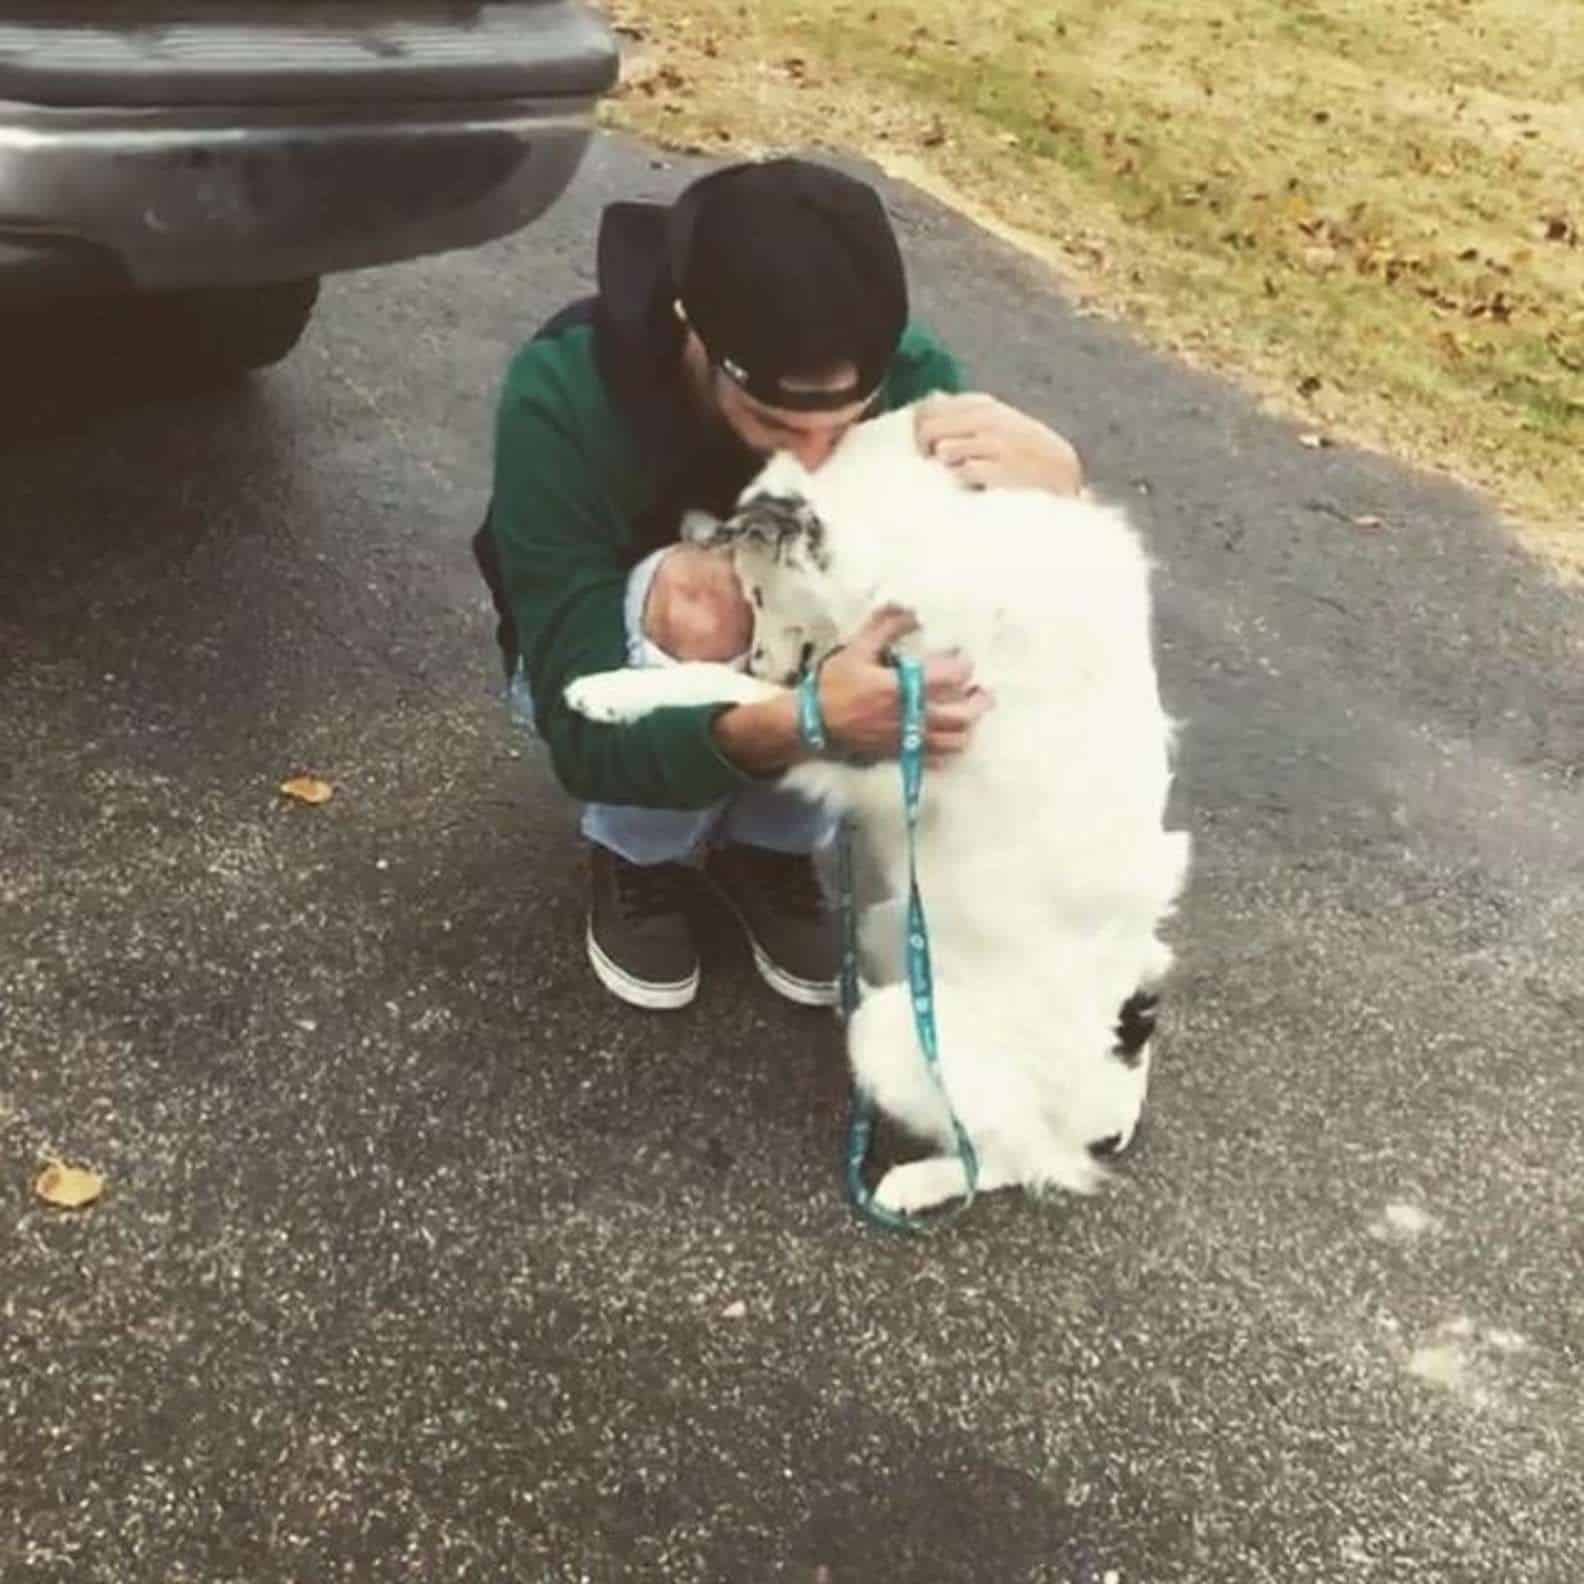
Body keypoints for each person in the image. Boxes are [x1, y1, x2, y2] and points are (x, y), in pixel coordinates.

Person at [475, 158, 1085, 1012]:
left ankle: (770, 846)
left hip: (809, 666)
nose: (814, 461)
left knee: (920, 626)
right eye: (776, 424)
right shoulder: (564, 392)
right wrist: (807, 723)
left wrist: (1062, 502)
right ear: (691, 326)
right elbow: (580, 721)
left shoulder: (915, 383)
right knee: (708, 600)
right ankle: (638, 853)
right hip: (619, 663)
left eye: (848, 424)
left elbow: (1020, 637)